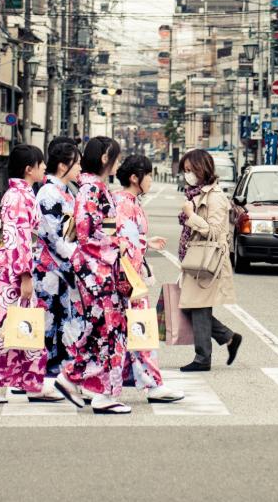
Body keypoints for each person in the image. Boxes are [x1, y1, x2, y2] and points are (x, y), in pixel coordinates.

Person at [58, 137, 134, 413]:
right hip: (97, 270)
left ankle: (74, 377)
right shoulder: (92, 188)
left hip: (97, 269)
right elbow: (86, 231)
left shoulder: (92, 186)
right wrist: (117, 243)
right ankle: (103, 393)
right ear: (105, 158)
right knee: (111, 330)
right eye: (116, 156)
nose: (118, 161)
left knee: (99, 329)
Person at [0, 144, 49, 404]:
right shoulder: (18, 197)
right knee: (7, 326)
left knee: (25, 322)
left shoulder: (22, 194)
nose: (44, 167)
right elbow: (18, 238)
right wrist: (25, 275)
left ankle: (33, 381)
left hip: (11, 266)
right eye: (41, 164)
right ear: (29, 169)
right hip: (12, 270)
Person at [113, 154, 183, 403]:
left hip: (127, 277)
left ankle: (137, 382)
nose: (151, 180)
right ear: (135, 178)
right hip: (129, 279)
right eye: (149, 175)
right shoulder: (125, 203)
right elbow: (123, 242)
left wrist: (145, 241)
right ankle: (152, 384)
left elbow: (128, 239)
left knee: (126, 333)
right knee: (140, 329)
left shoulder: (125, 201)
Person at [177, 148, 241, 372]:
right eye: (184, 171)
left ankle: (203, 357)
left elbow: (214, 231)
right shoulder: (195, 195)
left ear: (202, 169)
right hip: (195, 257)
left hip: (207, 259)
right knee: (189, 306)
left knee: (198, 306)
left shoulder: (215, 197)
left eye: (190, 170)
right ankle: (228, 337)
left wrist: (191, 215)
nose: (188, 175)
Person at [34, 138, 83, 391]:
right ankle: (42, 378)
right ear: (63, 165)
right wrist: (77, 257)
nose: (79, 169)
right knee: (49, 323)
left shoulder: (64, 191)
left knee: (62, 320)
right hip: (50, 268)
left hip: (63, 267)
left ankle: (54, 375)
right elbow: (53, 236)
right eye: (76, 163)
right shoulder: (49, 193)